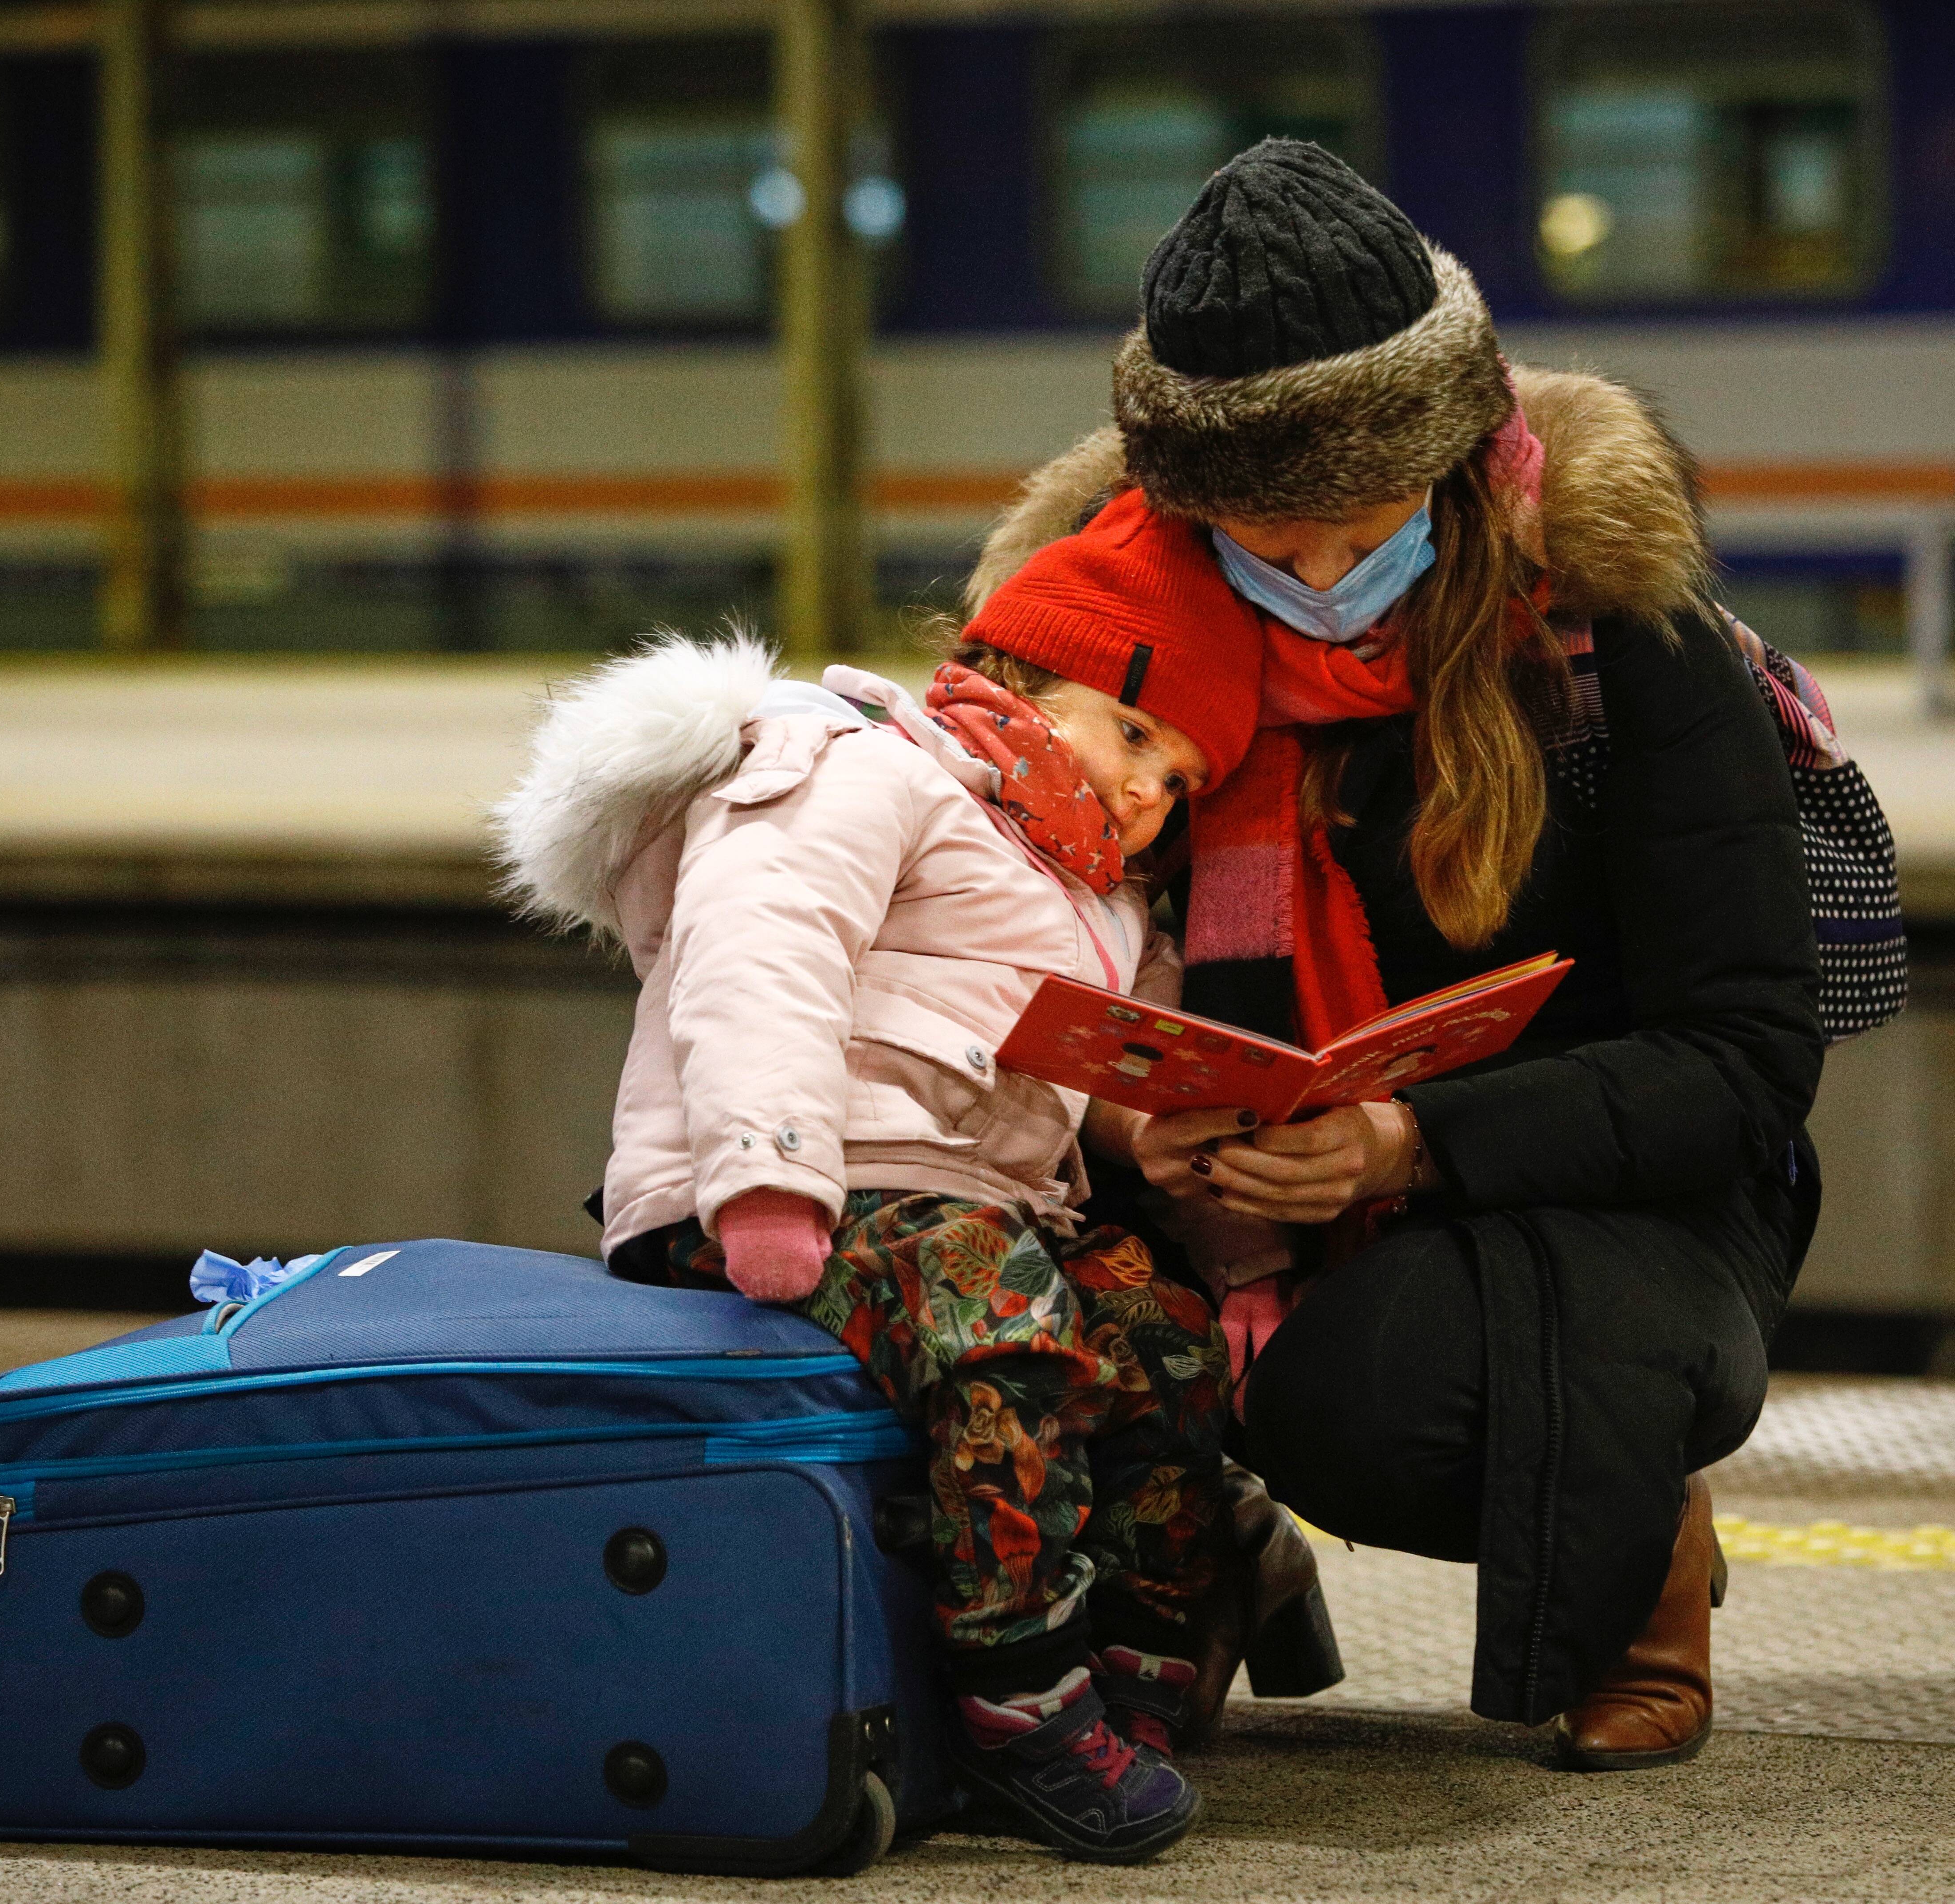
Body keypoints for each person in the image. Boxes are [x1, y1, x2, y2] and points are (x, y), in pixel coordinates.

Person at [969, 140, 1827, 1770]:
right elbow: (985, 956)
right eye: (1250, 540)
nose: (1304, 582)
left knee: (1389, 1407)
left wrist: (1411, 1138)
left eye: (1349, 530)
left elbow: (1747, 1053)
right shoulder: (1092, 655)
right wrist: (1137, 1123)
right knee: (1020, 1312)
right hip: (1231, 1191)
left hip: (1612, 1182)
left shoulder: (1622, 638)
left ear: (1444, 469)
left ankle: (1647, 1543)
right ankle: (1183, 1561)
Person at [495, 509, 1265, 1863]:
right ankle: (1022, 1693)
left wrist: (1175, 1140)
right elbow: (759, 950)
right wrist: (767, 1180)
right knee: (1002, 1316)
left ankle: (1140, 1660)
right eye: (1137, 736)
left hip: (972, 1200)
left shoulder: (1101, 892)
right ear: (1018, 677)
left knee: (1159, 1329)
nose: (1151, 795)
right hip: (781, 1190)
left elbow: (1102, 1078)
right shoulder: (864, 767)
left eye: (1185, 780)